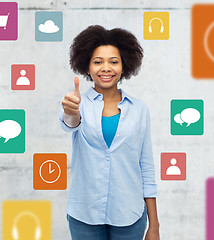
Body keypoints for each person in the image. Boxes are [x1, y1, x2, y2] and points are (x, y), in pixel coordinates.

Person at [59, 25, 160, 240]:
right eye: (98, 62)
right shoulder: (77, 104)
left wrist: (154, 224)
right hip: (84, 214)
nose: (106, 68)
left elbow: (146, 167)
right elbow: (70, 122)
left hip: (129, 215)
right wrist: (71, 112)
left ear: (124, 67)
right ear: (87, 67)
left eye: (114, 62)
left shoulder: (140, 109)